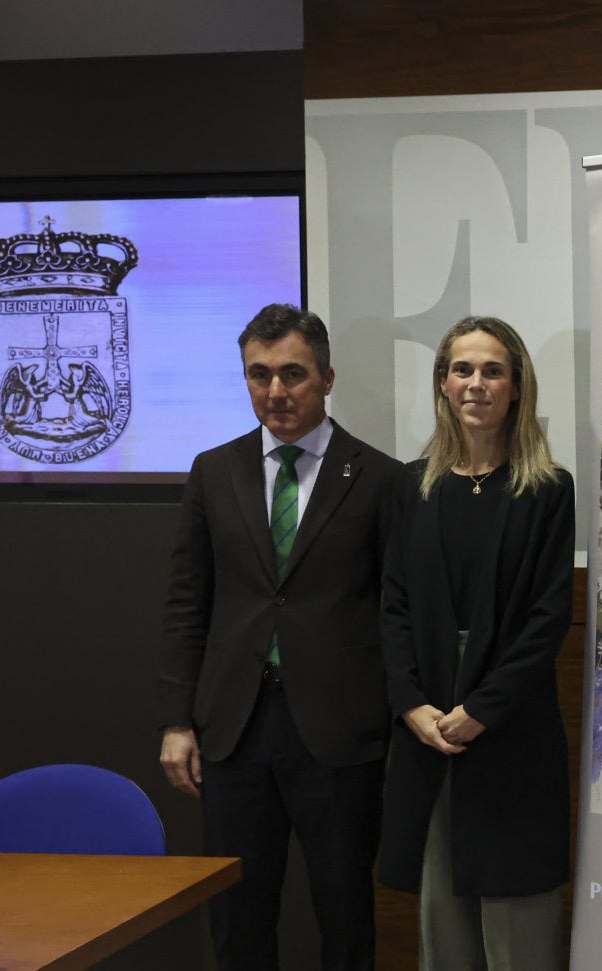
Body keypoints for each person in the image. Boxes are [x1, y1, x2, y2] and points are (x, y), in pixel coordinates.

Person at [158, 303, 401, 971]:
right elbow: (188, 601)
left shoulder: (380, 477)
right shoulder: (215, 471)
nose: (275, 391)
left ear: (326, 376)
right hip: (234, 726)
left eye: (292, 373)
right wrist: (178, 719)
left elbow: (398, 611)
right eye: (258, 374)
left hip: (336, 729)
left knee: (345, 912)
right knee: (238, 916)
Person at [379, 315, 575, 971]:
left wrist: (482, 709)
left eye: (493, 370)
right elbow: (394, 606)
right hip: (431, 737)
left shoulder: (549, 488)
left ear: (517, 386)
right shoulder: (412, 487)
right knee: (445, 932)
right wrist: (413, 706)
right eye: (463, 369)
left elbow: (548, 616)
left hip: (510, 732)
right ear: (442, 383)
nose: (476, 383)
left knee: (519, 933)